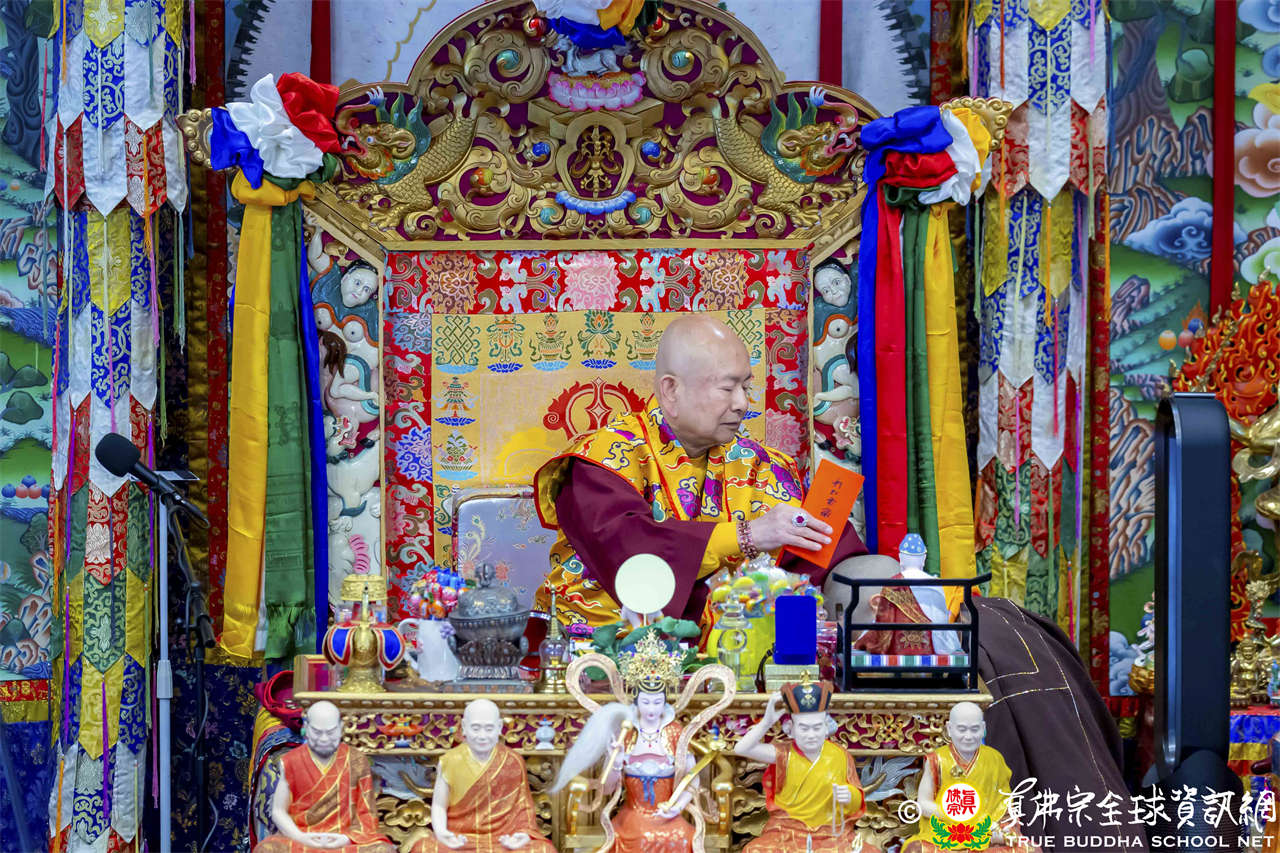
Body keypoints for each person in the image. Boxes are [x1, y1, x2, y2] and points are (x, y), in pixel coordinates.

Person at [533, 315, 868, 635]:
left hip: (741, 655)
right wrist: (748, 535)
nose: (742, 403)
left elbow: (825, 554)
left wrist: (872, 589)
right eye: (727, 388)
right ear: (671, 391)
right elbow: (629, 554)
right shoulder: (602, 460)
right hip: (604, 651)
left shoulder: (763, 466)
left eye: (746, 387)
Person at [552, 633, 703, 853]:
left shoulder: (674, 731)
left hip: (669, 814)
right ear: (636, 701)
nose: (651, 709)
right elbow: (607, 788)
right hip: (633, 814)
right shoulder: (626, 731)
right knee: (640, 838)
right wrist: (615, 761)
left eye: (657, 702)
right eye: (646, 702)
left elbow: (692, 776)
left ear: (665, 702)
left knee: (681, 838)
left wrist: (677, 806)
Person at [733, 679, 878, 853]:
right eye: (804, 728)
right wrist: (767, 721)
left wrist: (850, 796)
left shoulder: (839, 755)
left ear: (826, 728)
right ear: (791, 729)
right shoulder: (784, 754)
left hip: (831, 834)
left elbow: (856, 801)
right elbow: (741, 749)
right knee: (755, 850)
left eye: (817, 728)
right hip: (787, 831)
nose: (811, 735)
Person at [414, 699, 554, 853]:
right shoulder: (450, 761)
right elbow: (439, 805)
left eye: (489, 729)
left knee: (544, 850)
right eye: (475, 728)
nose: (482, 736)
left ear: (499, 727)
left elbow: (523, 810)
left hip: (502, 840)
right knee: (424, 848)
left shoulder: (513, 761)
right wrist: (442, 833)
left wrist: (523, 835)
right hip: (461, 840)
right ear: (464, 727)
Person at [254, 701, 395, 853]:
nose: (324, 739)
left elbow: (366, 814)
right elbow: (278, 811)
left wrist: (346, 838)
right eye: (317, 732)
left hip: (344, 840)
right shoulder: (290, 761)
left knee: (382, 850)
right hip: (302, 838)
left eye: (330, 732)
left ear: (341, 728)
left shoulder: (356, 760)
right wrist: (300, 836)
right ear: (306, 728)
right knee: (266, 849)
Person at [902, 702, 1036, 853]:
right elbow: (923, 803)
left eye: (974, 729)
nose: (968, 736)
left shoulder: (994, 759)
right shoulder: (937, 759)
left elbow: (1004, 805)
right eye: (961, 729)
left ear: (983, 729)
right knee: (916, 850)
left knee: (1030, 849)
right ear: (949, 729)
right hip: (946, 832)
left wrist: (1002, 829)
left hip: (985, 831)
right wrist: (956, 815)